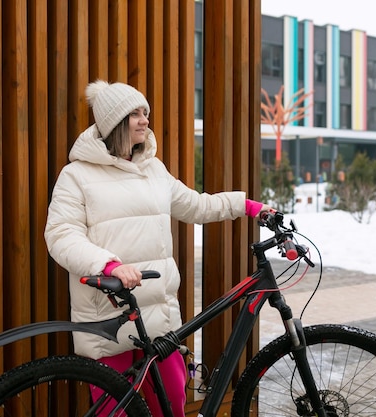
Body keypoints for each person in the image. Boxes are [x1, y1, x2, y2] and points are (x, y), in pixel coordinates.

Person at [44, 79, 273, 416]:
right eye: (135, 114)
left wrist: (247, 206)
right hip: (108, 310)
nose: (145, 120)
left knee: (173, 404)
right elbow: (61, 235)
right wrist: (108, 265)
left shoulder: (154, 170)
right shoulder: (76, 175)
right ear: (115, 122)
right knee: (115, 410)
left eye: (145, 113)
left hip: (159, 315)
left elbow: (196, 206)